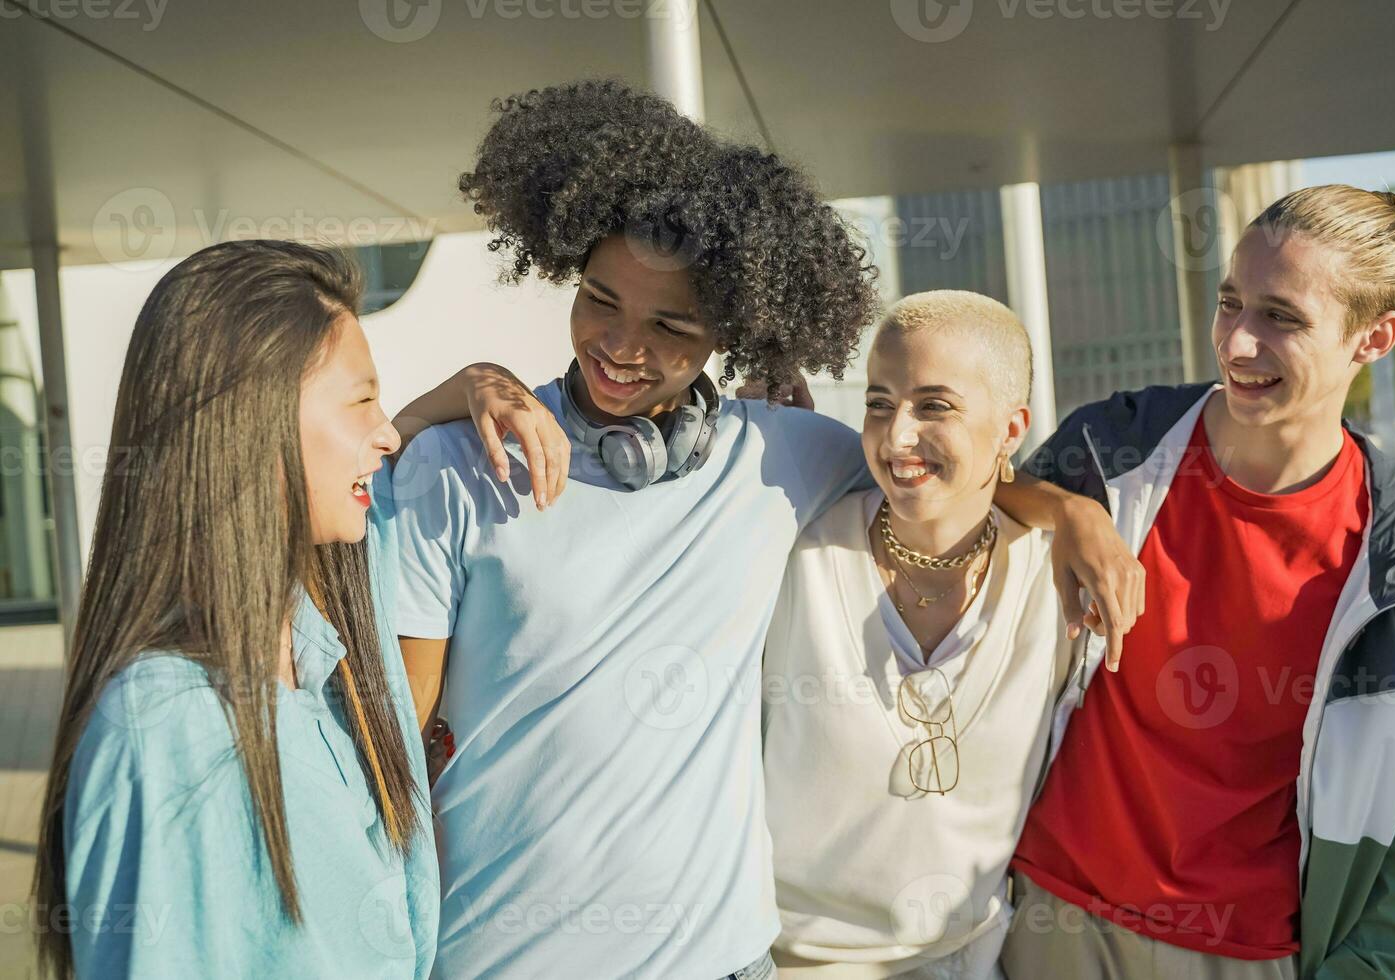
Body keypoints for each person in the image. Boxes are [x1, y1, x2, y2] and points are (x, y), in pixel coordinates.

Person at [391, 81, 1139, 979]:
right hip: (495, 957)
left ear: (730, 331)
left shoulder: (781, 459)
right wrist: (433, 404)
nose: (621, 346)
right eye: (599, 299)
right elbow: (390, 744)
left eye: (671, 325)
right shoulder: (459, 463)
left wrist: (1070, 511)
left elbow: (939, 476)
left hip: (724, 961)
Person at [1000, 185, 1395, 980]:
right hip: (1056, 916)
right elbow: (968, 505)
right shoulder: (1113, 447)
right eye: (1230, 303)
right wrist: (1061, 511)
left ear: (1374, 337)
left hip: (1250, 954)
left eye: (1281, 317)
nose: (1238, 343)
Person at [30, 241, 438, 979]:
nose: (387, 431)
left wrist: (473, 389)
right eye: (361, 400)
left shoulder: (324, 636)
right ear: (255, 418)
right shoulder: (164, 728)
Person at [763, 291, 1079, 979]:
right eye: (879, 403)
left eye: (934, 406)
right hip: (785, 965)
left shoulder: (1057, 584)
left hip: (973, 963)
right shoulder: (791, 555)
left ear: (1011, 428)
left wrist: (1074, 513)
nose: (896, 435)